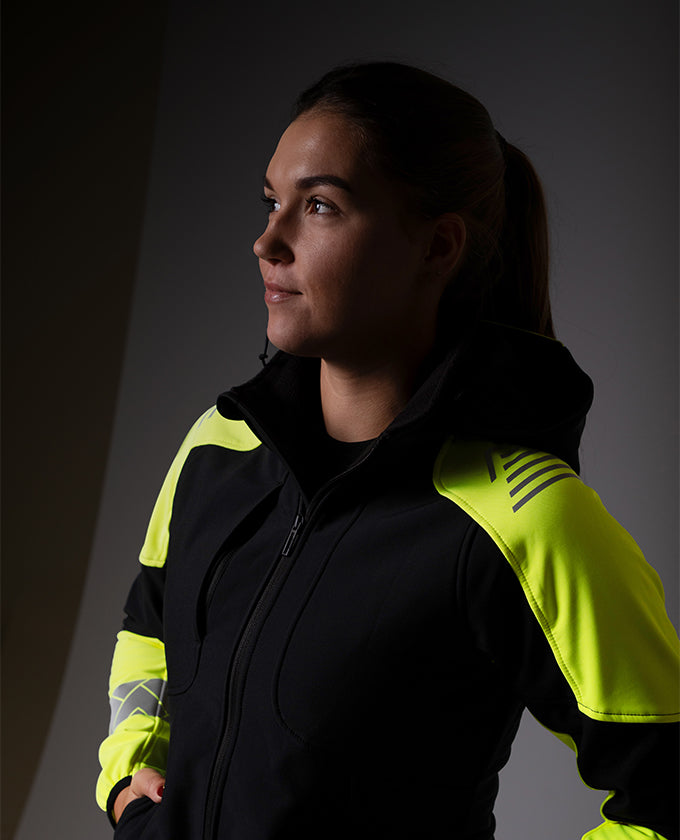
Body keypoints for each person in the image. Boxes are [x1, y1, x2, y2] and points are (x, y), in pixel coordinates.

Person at [96, 62, 679, 839]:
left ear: (437, 246)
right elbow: (147, 625)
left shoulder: (522, 517)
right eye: (272, 202)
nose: (269, 241)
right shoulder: (218, 447)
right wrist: (128, 775)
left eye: (320, 206)